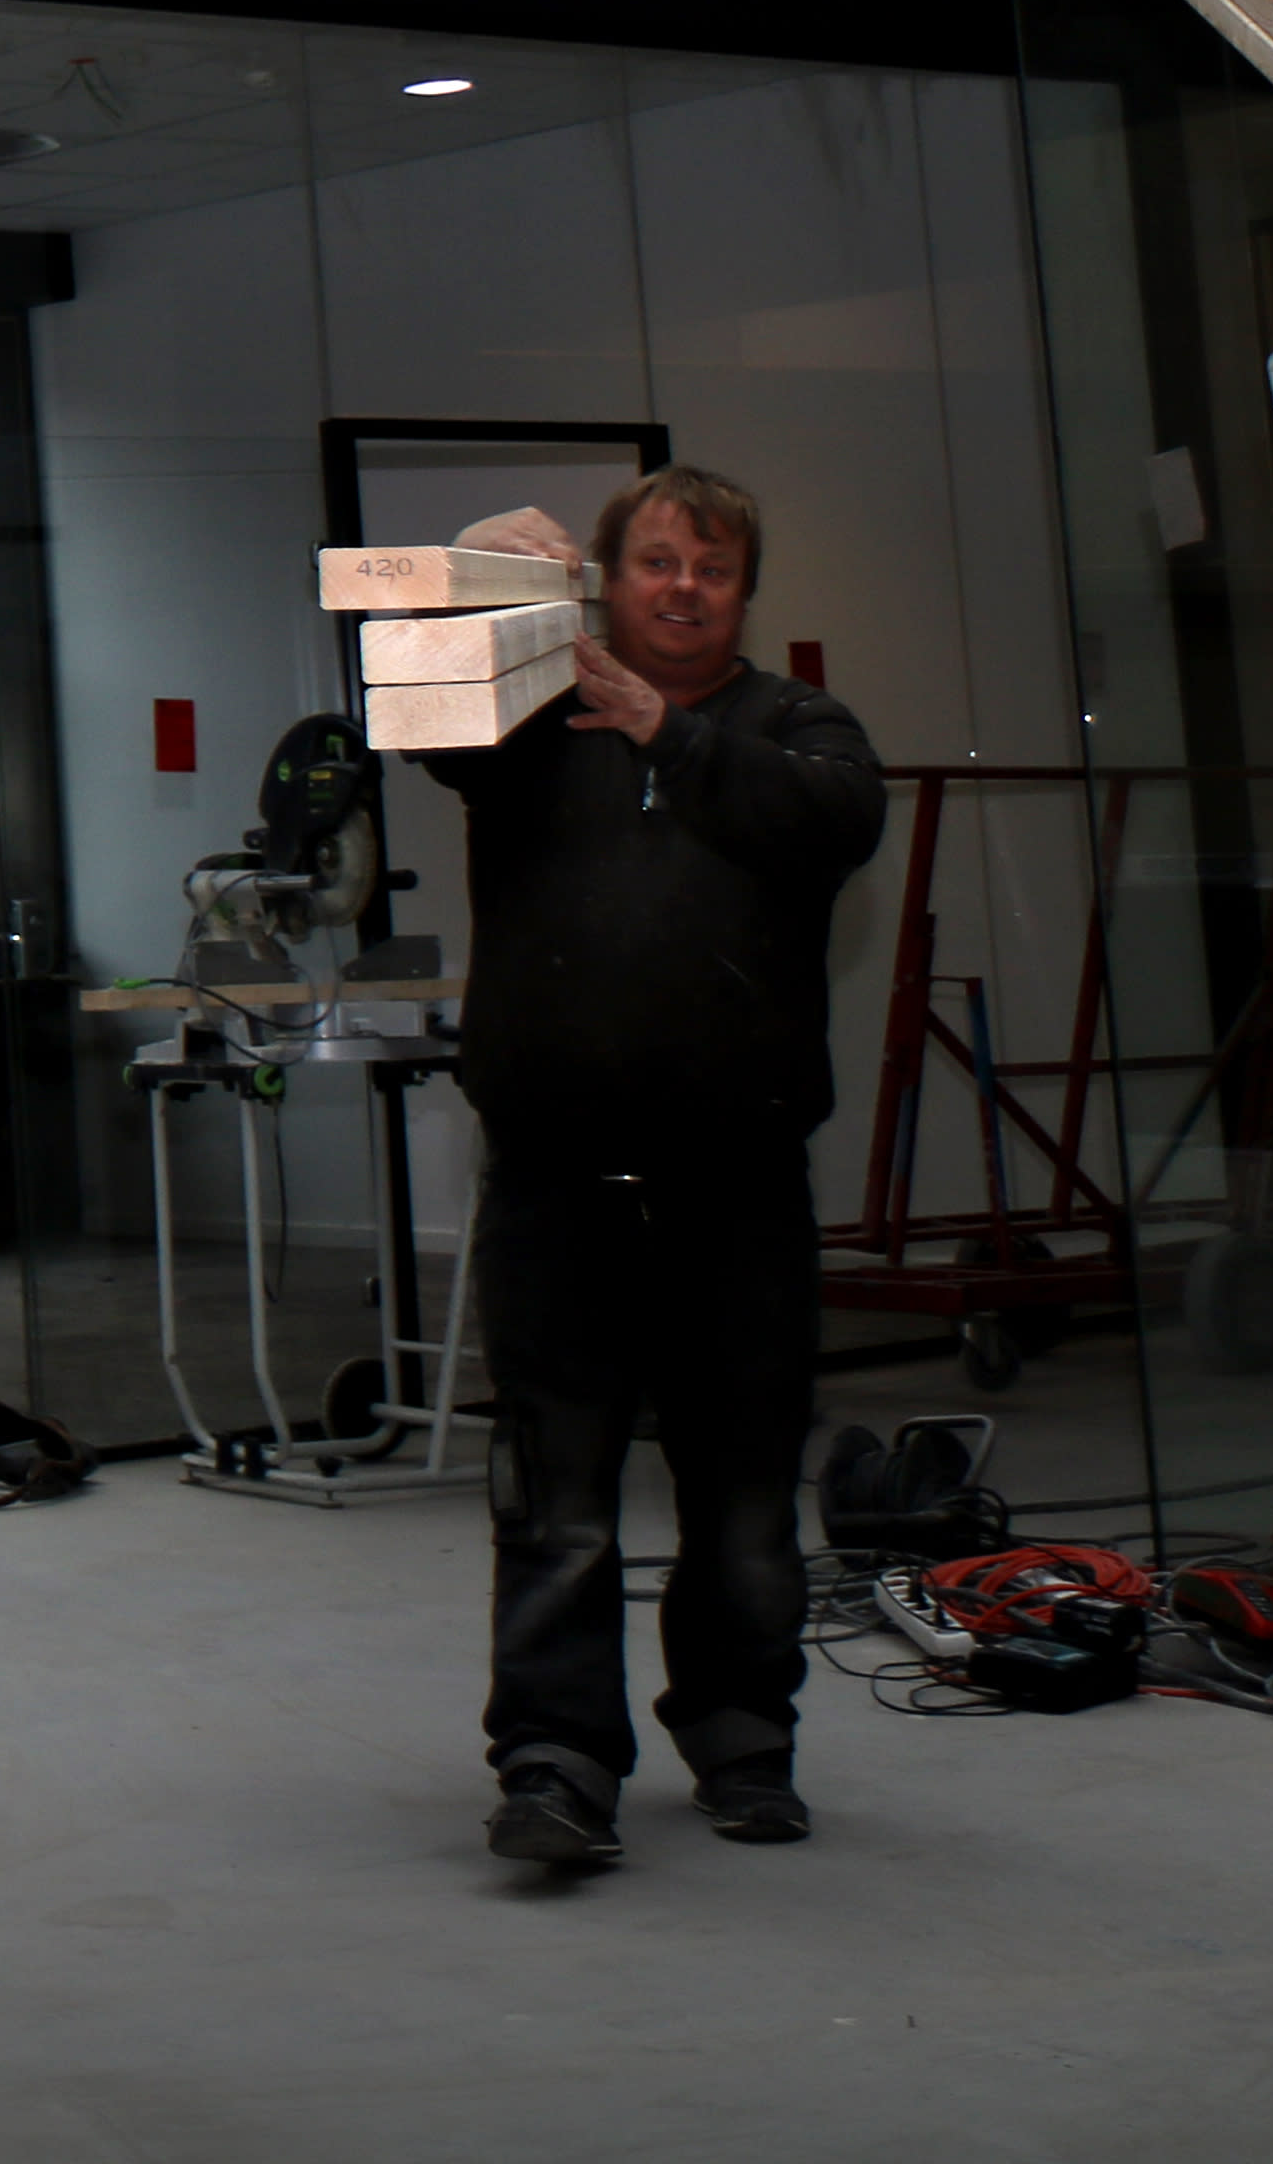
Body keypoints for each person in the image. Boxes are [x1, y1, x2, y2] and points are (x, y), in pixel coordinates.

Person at [423, 467, 884, 1873]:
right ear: (603, 584)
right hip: (555, 1180)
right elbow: (405, 700)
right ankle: (556, 1761)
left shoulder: (797, 726)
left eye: (714, 569)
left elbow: (834, 821)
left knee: (742, 1499)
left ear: (745, 593)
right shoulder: (521, 724)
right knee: (554, 1497)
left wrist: (665, 732)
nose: (685, 588)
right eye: (658, 563)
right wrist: (463, 567)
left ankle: (743, 1742)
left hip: (737, 1190)